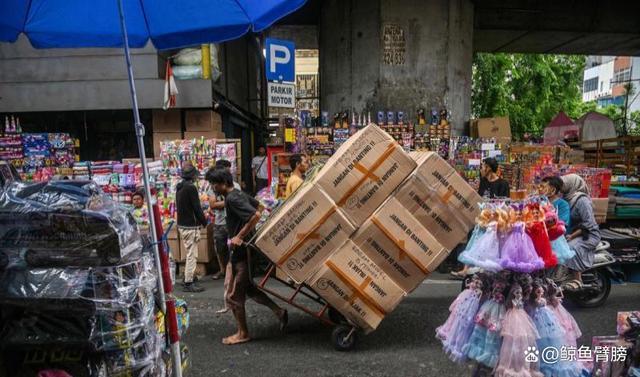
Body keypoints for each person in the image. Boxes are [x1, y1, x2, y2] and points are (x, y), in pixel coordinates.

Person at [207, 168, 288, 345]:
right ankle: (279, 311)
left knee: (234, 297)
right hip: (244, 250)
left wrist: (240, 236)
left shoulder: (233, 198)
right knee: (249, 289)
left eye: (214, 184)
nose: (213, 187)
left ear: (222, 183)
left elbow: (256, 214)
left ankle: (243, 333)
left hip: (241, 252)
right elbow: (259, 205)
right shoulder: (237, 194)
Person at [451, 158, 511, 279]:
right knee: (474, 241)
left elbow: (505, 203)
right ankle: (465, 269)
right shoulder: (483, 181)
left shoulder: (503, 184)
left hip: (494, 221)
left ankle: (483, 270)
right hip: (483, 218)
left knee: (489, 246)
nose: (481, 169)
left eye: (482, 166)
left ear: (488, 168)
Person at [561, 174, 601, 291]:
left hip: (588, 234)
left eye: (564, 184)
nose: (562, 187)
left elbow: (589, 223)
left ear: (572, 185)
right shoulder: (566, 198)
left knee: (569, 249)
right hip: (573, 232)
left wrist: (572, 236)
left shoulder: (582, 200)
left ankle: (577, 279)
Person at [207, 160, 241, 283]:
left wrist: (224, 202)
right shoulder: (213, 187)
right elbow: (212, 204)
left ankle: (234, 271)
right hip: (219, 222)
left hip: (232, 221)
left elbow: (236, 202)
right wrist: (228, 202)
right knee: (220, 248)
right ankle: (223, 270)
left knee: (234, 248)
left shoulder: (235, 186)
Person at [176, 163, 208, 293]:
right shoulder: (191, 188)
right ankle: (188, 282)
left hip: (183, 224)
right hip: (190, 226)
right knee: (192, 255)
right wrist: (204, 221)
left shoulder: (180, 187)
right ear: (193, 176)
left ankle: (189, 277)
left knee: (190, 252)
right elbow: (197, 208)